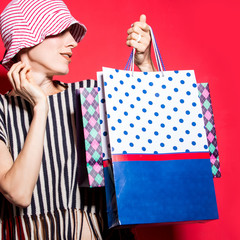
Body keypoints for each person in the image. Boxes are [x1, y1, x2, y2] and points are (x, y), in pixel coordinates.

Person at [0, 0, 155, 239]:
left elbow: (152, 129)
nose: (72, 42)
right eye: (60, 31)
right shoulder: (2, 110)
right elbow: (18, 193)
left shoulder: (91, 94)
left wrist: (145, 65)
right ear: (25, 39)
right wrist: (40, 107)